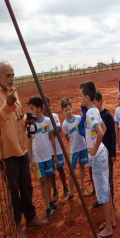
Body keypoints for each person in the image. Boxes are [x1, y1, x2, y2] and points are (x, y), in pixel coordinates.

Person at [0, 62, 43, 237]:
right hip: (7, 153)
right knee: (13, 192)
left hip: (21, 148)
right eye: (7, 75)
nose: (11, 79)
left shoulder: (14, 93)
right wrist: (7, 104)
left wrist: (26, 119)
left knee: (26, 187)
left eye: (12, 75)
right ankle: (17, 224)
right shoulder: (6, 97)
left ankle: (31, 218)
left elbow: (18, 115)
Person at [80, 81, 116, 238]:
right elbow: (105, 128)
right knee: (105, 189)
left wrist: (93, 150)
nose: (79, 98)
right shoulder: (94, 110)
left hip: (98, 155)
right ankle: (111, 221)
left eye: (81, 95)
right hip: (102, 153)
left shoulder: (90, 113)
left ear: (87, 97)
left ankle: (109, 228)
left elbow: (101, 132)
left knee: (103, 192)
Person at [27, 96, 59, 221]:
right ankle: (47, 207)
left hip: (48, 157)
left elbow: (52, 137)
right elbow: (29, 142)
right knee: (42, 181)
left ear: (39, 108)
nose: (30, 111)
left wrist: (55, 155)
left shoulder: (47, 121)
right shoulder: (30, 125)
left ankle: (50, 202)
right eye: (29, 109)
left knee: (49, 179)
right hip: (38, 159)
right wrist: (31, 161)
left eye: (32, 108)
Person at [60, 97, 89, 203]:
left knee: (82, 167)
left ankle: (82, 188)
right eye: (65, 110)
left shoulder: (78, 118)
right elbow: (66, 137)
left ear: (72, 108)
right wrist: (72, 144)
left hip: (83, 147)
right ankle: (71, 193)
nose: (67, 111)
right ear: (63, 111)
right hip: (73, 150)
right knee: (71, 171)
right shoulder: (64, 124)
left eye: (69, 109)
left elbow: (84, 130)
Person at [44, 98, 69, 203]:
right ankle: (54, 191)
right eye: (44, 105)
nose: (47, 107)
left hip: (57, 150)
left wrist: (47, 135)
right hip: (47, 151)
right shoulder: (41, 120)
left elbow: (58, 130)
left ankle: (65, 188)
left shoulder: (54, 116)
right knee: (51, 172)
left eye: (48, 105)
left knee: (60, 169)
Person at [94, 91, 116, 202]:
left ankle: (110, 199)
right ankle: (101, 200)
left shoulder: (107, 116)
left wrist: (113, 153)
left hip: (107, 152)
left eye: (95, 102)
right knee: (100, 177)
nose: (93, 105)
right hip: (97, 152)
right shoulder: (94, 116)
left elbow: (113, 135)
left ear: (100, 101)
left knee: (108, 177)